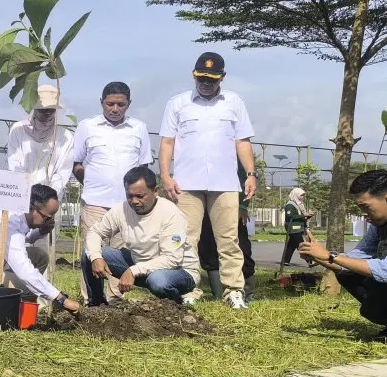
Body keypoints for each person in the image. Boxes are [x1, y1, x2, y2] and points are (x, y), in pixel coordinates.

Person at [159, 52, 257, 309]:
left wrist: (250, 174)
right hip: (186, 184)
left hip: (225, 183)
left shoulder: (234, 102)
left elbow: (243, 141)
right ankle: (190, 289)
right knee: (186, 239)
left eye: (211, 79)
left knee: (229, 240)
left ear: (222, 77)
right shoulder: (178, 103)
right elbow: (167, 142)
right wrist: (166, 176)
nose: (205, 83)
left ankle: (233, 291)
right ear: (194, 75)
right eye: (201, 77)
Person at [301, 170, 387, 341]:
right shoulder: (380, 226)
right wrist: (317, 256)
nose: (363, 214)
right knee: (347, 273)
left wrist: (329, 256)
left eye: (365, 207)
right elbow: (353, 259)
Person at [0, 183, 82, 319]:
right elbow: (25, 271)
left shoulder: (15, 213)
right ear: (32, 208)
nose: (49, 221)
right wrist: (61, 299)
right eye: (47, 218)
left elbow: (22, 238)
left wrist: (42, 230)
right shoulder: (8, 222)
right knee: (28, 284)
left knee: (39, 256)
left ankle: (23, 310)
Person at [72, 81, 152, 305]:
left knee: (120, 253)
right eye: (110, 104)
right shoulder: (87, 126)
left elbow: (143, 168)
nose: (115, 109)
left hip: (126, 205)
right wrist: (92, 183)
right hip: (94, 203)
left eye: (121, 104)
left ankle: (115, 300)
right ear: (101, 102)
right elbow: (76, 164)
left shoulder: (139, 128)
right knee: (92, 251)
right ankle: (92, 300)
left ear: (129, 104)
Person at [84, 166, 200, 305]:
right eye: (129, 195)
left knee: (158, 281)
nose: (134, 201)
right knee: (90, 254)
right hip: (141, 267)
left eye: (140, 196)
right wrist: (96, 257)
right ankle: (96, 305)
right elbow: (95, 232)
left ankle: (176, 305)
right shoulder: (122, 210)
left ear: (155, 191)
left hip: (178, 271)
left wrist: (133, 270)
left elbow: (172, 259)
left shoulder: (171, 214)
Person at [7, 84, 75, 287]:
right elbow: (15, 165)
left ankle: (42, 293)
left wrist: (46, 201)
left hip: (49, 204)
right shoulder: (18, 131)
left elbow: (62, 172)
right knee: (17, 243)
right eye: (42, 109)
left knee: (45, 247)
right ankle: (14, 287)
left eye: (50, 110)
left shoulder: (65, 137)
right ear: (34, 108)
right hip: (21, 200)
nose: (46, 114)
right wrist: (29, 198)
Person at [197, 163, 257, 300]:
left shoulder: (232, 153)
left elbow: (243, 175)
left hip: (230, 204)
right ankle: (219, 294)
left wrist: (243, 206)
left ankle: (248, 293)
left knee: (240, 247)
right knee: (207, 248)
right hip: (202, 203)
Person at [282, 187, 314, 267]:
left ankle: (285, 261)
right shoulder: (290, 205)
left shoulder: (299, 204)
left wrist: (308, 215)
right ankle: (310, 261)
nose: (302, 197)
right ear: (296, 195)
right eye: (301, 195)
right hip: (293, 228)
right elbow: (290, 216)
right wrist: (304, 215)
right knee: (301, 244)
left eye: (303, 195)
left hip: (298, 227)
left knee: (291, 245)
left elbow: (300, 216)